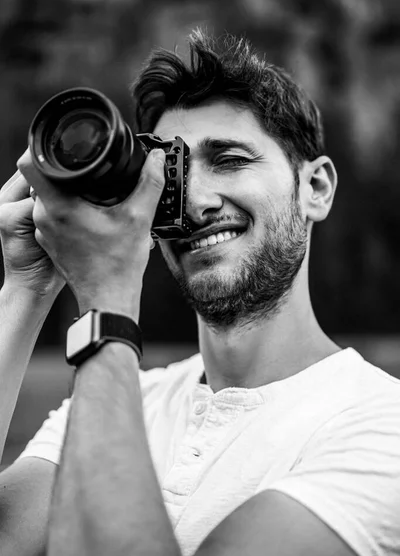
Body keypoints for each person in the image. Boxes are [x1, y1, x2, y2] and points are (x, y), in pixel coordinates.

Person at [0, 30, 399, 556]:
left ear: (316, 188)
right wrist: (26, 288)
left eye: (230, 159)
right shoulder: (123, 399)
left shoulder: (381, 425)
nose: (196, 203)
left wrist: (108, 300)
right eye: (172, 176)